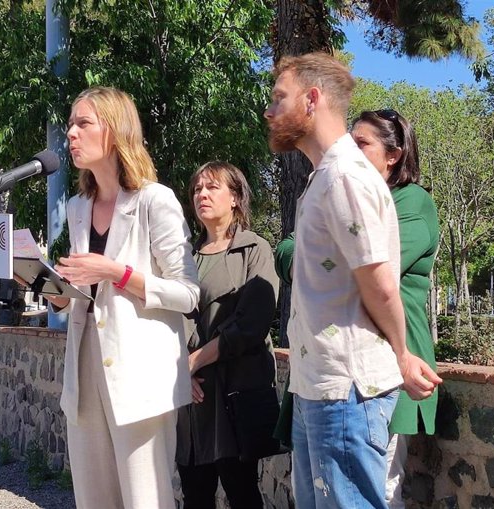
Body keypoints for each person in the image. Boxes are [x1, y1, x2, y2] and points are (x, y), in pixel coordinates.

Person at [264, 52, 442, 509]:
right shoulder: (325, 176)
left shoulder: (344, 175)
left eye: (279, 97)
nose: (269, 110)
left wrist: (402, 354)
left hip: (345, 392)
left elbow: (380, 284)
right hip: (317, 386)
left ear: (312, 99)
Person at [48, 86, 200, 509]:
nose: (71, 134)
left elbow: (188, 293)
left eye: (83, 123)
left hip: (140, 379)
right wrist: (59, 292)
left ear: (113, 132)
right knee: (94, 500)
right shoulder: (79, 206)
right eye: (70, 124)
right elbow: (88, 296)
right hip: (84, 373)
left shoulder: (156, 200)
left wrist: (117, 273)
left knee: (145, 501)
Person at [175, 161, 279, 509]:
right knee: (195, 496)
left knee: (242, 494)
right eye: (196, 189)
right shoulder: (183, 258)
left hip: (235, 395)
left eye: (212, 187)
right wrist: (181, 371)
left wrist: (193, 362)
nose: (201, 194)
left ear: (235, 197)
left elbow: (251, 323)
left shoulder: (255, 250)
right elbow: (171, 321)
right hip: (195, 399)